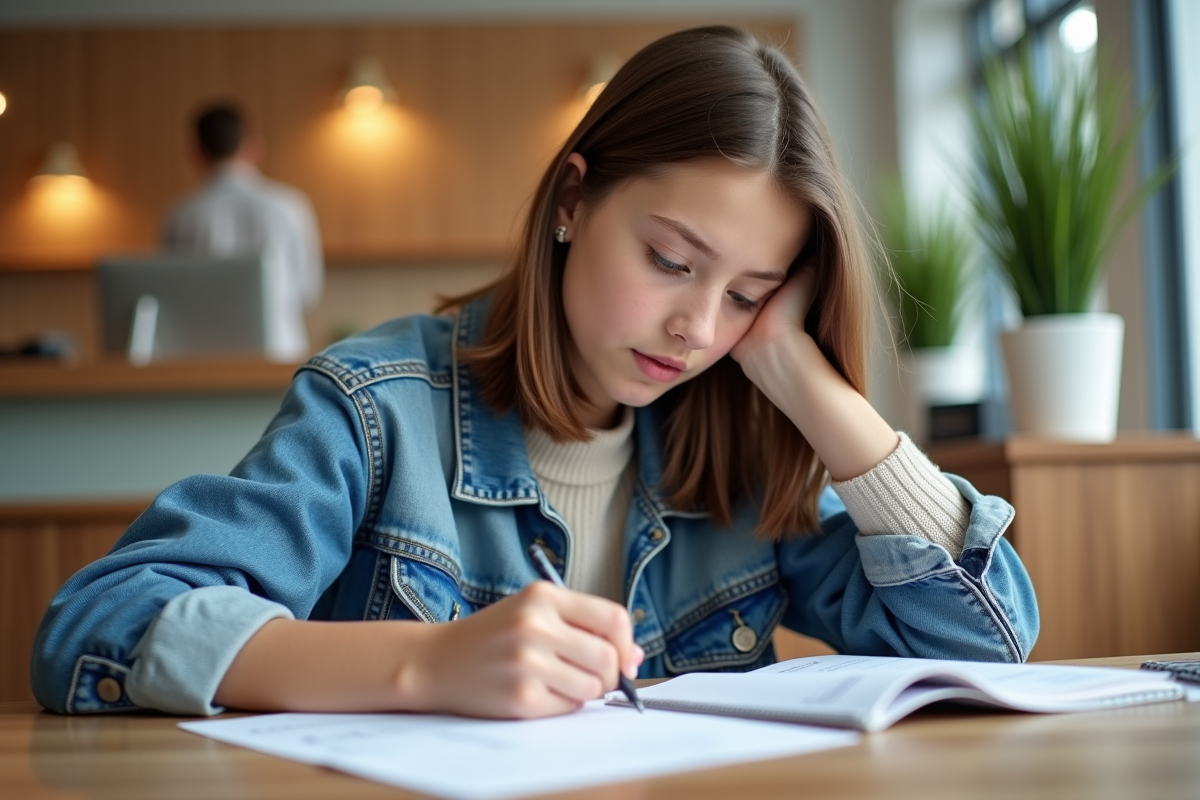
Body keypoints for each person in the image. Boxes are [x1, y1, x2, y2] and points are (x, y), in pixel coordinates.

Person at [33, 27, 1037, 719]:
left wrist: (806, 379)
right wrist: (421, 663)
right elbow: (97, 625)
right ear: (571, 201)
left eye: (748, 293)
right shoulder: (376, 409)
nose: (695, 326)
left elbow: (984, 642)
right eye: (672, 262)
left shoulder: (733, 444)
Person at [163, 104, 324, 363]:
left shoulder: (180, 216)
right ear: (254, 148)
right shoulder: (291, 205)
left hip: (203, 357)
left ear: (196, 153)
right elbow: (308, 292)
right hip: (281, 351)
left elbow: (173, 297)